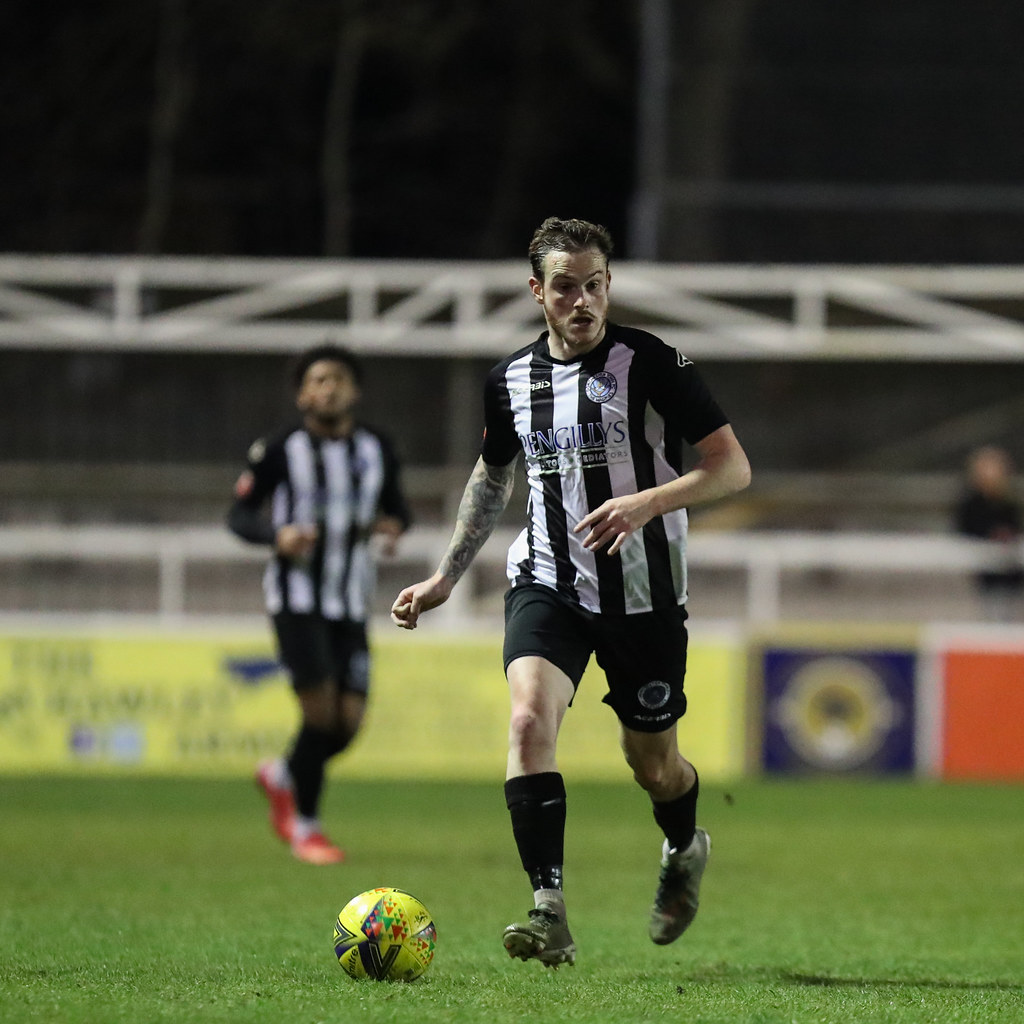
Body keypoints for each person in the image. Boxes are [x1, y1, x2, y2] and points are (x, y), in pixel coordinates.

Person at [391, 217, 751, 966]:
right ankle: (548, 909)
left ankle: (684, 845)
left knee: (654, 767)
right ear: (537, 292)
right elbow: (493, 476)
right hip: (547, 581)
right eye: (565, 287)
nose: (582, 300)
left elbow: (732, 467)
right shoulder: (510, 381)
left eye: (594, 285)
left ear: (609, 285)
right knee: (528, 720)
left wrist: (647, 503)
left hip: (644, 593)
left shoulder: (653, 363)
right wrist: (445, 576)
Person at [228, 343, 411, 864]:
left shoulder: (377, 447)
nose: (329, 388)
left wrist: (393, 525)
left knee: (347, 725)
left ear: (355, 391)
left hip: (351, 600)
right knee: (320, 714)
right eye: (318, 380)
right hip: (297, 600)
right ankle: (306, 826)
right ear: (303, 395)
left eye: (338, 379)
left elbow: (398, 507)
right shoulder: (279, 448)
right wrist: (276, 536)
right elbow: (238, 515)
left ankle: (282, 773)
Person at [954, 445, 1024, 621]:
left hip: (1012, 570)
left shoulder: (1010, 501)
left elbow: (1016, 528)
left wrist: (1008, 536)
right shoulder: (970, 503)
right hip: (985, 572)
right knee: (991, 613)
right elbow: (964, 530)